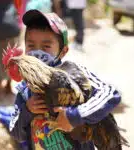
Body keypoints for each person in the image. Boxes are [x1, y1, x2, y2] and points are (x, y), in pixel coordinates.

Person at [9, 9, 121, 150]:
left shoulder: (73, 74)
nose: (37, 52)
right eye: (31, 46)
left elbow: (111, 93)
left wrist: (74, 116)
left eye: (46, 46)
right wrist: (27, 110)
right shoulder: (25, 89)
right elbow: (16, 133)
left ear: (63, 51)